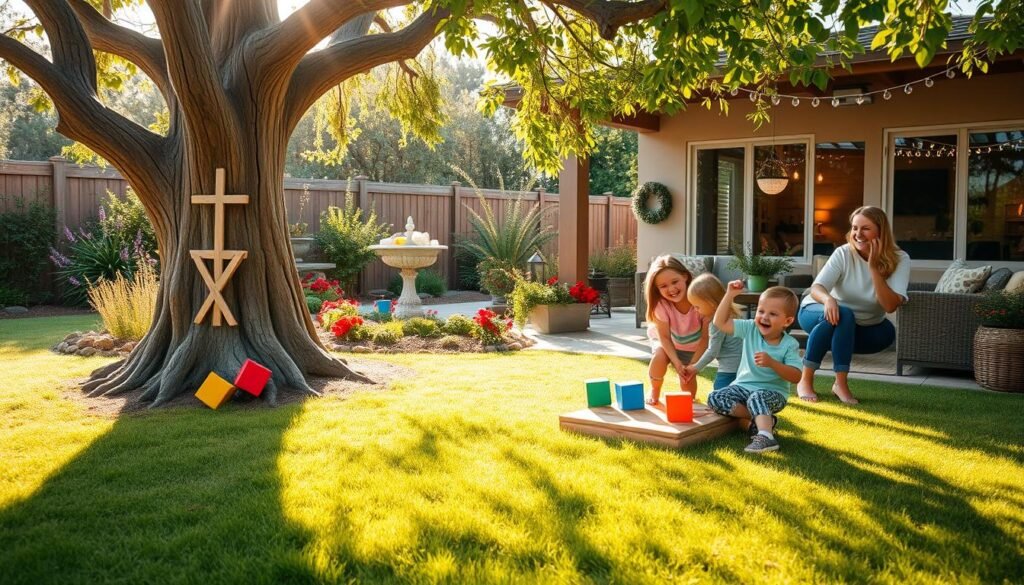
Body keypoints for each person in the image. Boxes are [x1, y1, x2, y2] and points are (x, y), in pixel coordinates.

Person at [796, 206, 911, 404]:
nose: (858, 234)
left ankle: (833, 383)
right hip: (816, 310)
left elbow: (890, 306)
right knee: (844, 314)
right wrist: (829, 299)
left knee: (883, 332)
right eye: (855, 228)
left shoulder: (900, 259)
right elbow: (817, 288)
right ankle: (810, 380)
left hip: (860, 326)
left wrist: (873, 267)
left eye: (865, 228)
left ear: (880, 231)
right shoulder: (843, 253)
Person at [708, 282, 803, 454]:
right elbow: (720, 322)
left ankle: (766, 437)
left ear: (787, 321)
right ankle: (762, 419)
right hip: (743, 387)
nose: (764, 317)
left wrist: (772, 363)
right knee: (715, 397)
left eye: (773, 314)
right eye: (761, 311)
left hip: (773, 394)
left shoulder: (790, 344)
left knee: (757, 397)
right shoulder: (751, 328)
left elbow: (796, 376)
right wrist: (729, 295)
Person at [644, 255, 709, 405]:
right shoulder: (661, 305)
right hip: (669, 343)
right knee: (659, 357)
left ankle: (689, 399)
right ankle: (654, 388)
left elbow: (706, 338)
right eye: (663, 286)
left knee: (687, 384)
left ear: (685, 277)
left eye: (675, 282)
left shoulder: (700, 301)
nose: (671, 289)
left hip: (694, 347)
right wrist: (676, 362)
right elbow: (664, 338)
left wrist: (692, 365)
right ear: (657, 289)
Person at [681, 274, 744, 390]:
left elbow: (713, 351)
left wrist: (695, 367)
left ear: (711, 303)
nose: (695, 310)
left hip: (730, 370)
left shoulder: (717, 323)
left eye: (697, 306)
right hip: (743, 368)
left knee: (718, 397)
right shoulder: (733, 315)